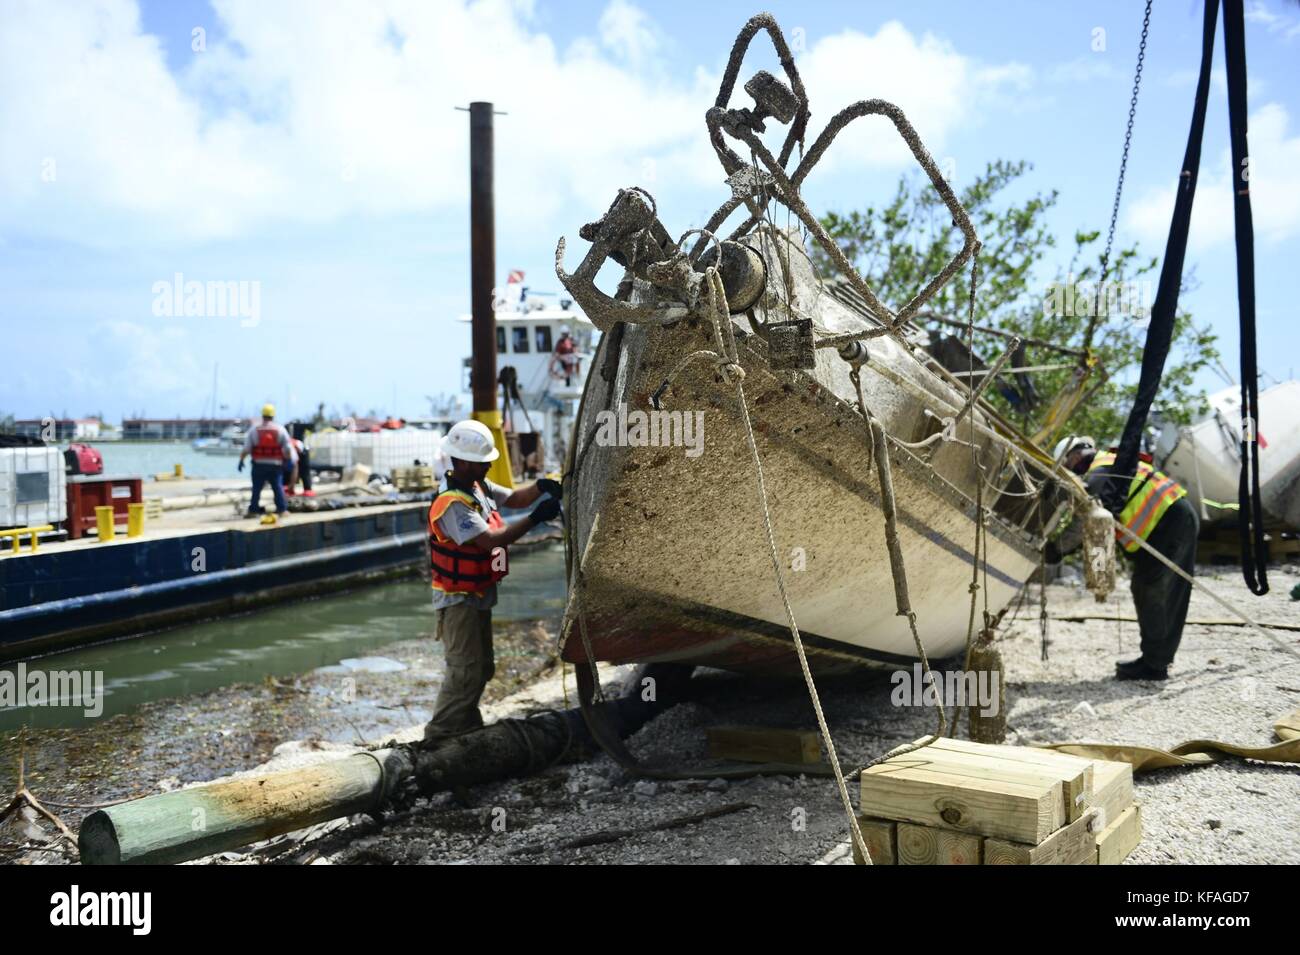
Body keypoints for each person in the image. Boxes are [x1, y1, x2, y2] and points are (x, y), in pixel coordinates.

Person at [423, 419, 562, 742]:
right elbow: (492, 541)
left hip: (477, 593)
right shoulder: (453, 505)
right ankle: (438, 737)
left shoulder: (478, 488)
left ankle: (467, 728)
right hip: (457, 599)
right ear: (462, 461)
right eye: (482, 461)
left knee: (482, 668)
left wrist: (542, 486)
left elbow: (514, 498)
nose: (488, 464)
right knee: (463, 672)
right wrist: (536, 518)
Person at [1046, 435, 1198, 681]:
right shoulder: (1111, 463)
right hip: (1173, 516)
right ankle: (1156, 659)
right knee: (1161, 591)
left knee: (1152, 590)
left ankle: (1154, 665)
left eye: (1067, 467)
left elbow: (1083, 522)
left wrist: (1057, 549)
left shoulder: (1099, 474)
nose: (1070, 473)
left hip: (1168, 523)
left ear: (1073, 457)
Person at [238, 404, 297, 517]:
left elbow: (246, 448)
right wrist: (289, 461)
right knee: (277, 487)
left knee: (256, 488)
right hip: (275, 465)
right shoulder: (280, 429)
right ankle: (282, 510)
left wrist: (241, 460)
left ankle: (253, 510)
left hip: (258, 465)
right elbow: (288, 448)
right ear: (273, 416)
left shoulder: (255, 429)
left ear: (263, 415)